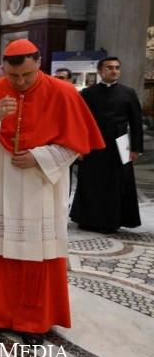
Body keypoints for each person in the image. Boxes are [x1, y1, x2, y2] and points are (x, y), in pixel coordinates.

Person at [0, 39, 103, 346]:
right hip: (1, 182)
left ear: (38, 63)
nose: (20, 82)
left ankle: (33, 320)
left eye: (26, 75)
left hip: (41, 183)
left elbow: (79, 145)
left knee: (37, 251)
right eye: (13, 76)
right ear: (4, 69)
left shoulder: (62, 92)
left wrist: (40, 156)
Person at [71, 57, 143, 234]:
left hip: (120, 143)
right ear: (100, 71)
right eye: (109, 67)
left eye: (117, 67)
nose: (114, 71)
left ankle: (113, 221)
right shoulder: (87, 93)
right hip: (93, 143)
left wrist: (136, 148)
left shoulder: (128, 93)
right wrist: (78, 147)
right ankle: (87, 219)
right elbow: (79, 122)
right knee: (90, 181)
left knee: (117, 182)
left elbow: (136, 122)